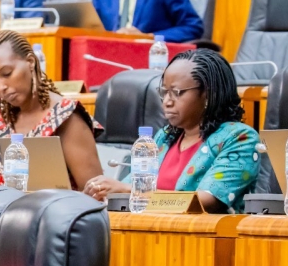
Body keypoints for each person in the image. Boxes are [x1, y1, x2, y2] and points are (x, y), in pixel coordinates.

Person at [84, 49, 259, 213]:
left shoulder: (240, 138)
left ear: (208, 94)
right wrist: (104, 190)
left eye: (176, 92)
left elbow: (206, 200)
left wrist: (128, 190)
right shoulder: (165, 136)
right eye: (164, 92)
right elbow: (129, 187)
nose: (167, 101)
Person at [0, 30, 102, 190]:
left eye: (7, 74)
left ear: (31, 62)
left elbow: (97, 196)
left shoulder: (66, 116)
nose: (1, 87)